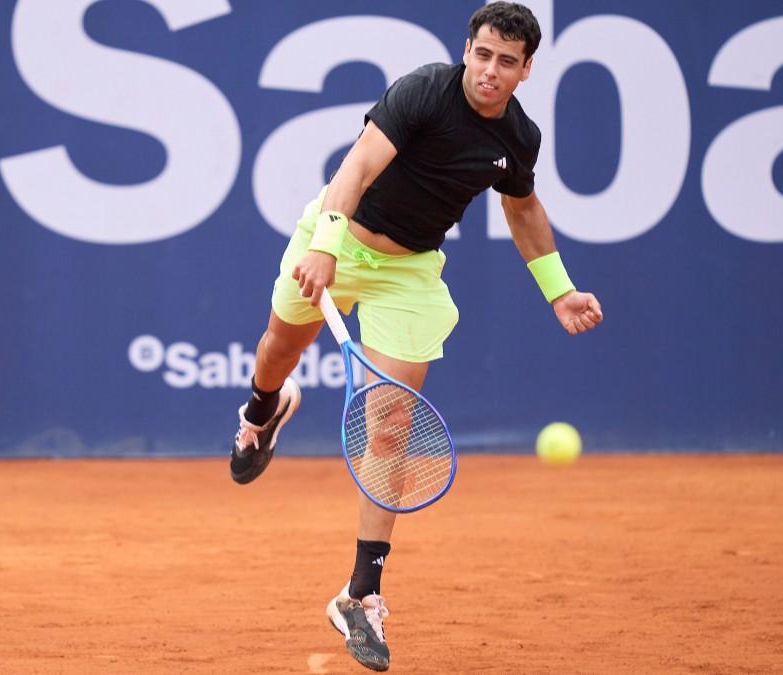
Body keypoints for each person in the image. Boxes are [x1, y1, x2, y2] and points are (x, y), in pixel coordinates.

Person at [228, 2, 603, 671]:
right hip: (338, 238)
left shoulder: (518, 136)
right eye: (482, 53)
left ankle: (361, 593)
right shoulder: (424, 91)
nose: (489, 70)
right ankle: (263, 409)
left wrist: (559, 287)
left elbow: (523, 208)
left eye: (506, 61)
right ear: (468, 49)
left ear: (526, 69)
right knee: (279, 350)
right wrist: (326, 246)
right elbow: (357, 167)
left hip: (409, 272)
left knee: (393, 422)